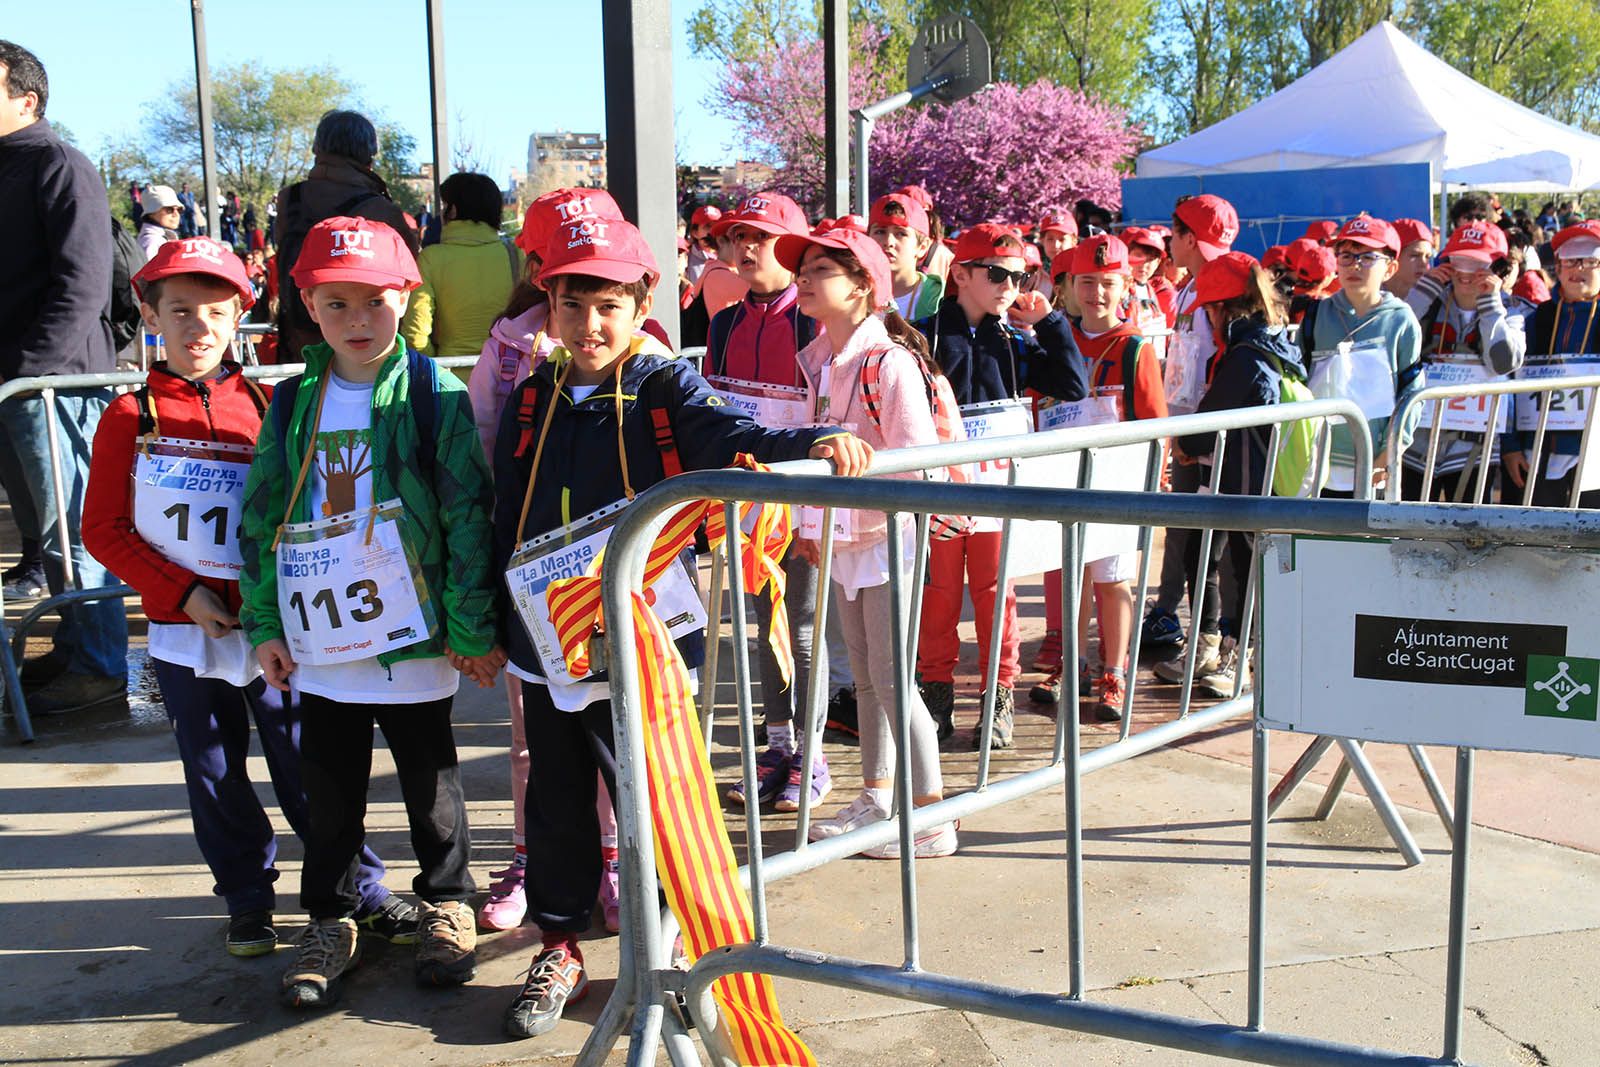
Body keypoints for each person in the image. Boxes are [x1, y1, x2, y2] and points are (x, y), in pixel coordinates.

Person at [491, 214, 869, 1039]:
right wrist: (491, 621)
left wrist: (815, 437)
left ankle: (669, 959)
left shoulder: (664, 386)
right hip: (545, 643)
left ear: (642, 303)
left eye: (608, 306)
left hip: (646, 643)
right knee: (555, 803)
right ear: (547, 304)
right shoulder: (530, 400)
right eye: (571, 304)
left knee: (659, 801)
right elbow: (505, 513)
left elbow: (733, 437)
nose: (589, 325)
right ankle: (559, 944)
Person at [82, 237, 416, 958]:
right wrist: (184, 592)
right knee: (211, 769)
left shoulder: (270, 403)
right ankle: (246, 897)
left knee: (308, 762)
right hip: (182, 634)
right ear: (150, 316)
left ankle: (362, 887)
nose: (197, 327)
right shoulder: (127, 414)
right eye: (179, 311)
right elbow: (102, 529)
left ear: (242, 315)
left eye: (214, 311)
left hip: (276, 626)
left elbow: (291, 513)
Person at [239, 216, 502, 1007]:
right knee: (330, 791)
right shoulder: (290, 404)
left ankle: (448, 902)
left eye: (376, 303)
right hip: (325, 641)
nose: (359, 321)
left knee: (433, 785)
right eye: (338, 303)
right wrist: (264, 623)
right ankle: (330, 916)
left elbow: (466, 512)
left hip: (415, 637)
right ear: (308, 306)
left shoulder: (433, 393)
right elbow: (260, 516)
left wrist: (467, 625)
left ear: (407, 298)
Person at [466, 187, 623, 935]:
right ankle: (538, 859)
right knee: (535, 734)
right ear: (535, 266)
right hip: (533, 580)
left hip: (619, 580)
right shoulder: (507, 349)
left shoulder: (638, 344)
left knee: (615, 730)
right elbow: (485, 454)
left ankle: (618, 856)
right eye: (557, 259)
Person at [774, 225, 955, 857]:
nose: (805, 277)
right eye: (805, 267)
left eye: (821, 268)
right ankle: (880, 798)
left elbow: (917, 465)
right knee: (869, 677)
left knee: (890, 674)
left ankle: (932, 816)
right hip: (846, 537)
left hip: (887, 538)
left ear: (863, 288)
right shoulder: (821, 360)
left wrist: (852, 520)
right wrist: (811, 526)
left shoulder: (889, 362)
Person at [912, 222, 1088, 748]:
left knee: (997, 595)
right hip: (941, 492)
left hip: (996, 494)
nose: (1010, 285)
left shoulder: (1014, 340)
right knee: (938, 597)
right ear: (960, 274)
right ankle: (936, 693)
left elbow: (1072, 383)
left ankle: (998, 695)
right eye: (997, 274)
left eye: (1020, 274)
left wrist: (1052, 322)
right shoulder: (922, 336)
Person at [0, 40, 129, 714]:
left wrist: (26, 373)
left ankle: (101, 665)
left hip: (57, 389)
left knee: (77, 529)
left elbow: (82, 286)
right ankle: (80, 648)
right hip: (19, 390)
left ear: (28, 99)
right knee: (45, 532)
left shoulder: (60, 164)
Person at [703, 192, 831, 811]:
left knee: (802, 628)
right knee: (761, 626)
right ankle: (777, 746)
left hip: (801, 498)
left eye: (761, 236)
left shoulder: (814, 321)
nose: (746, 248)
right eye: (735, 237)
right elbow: (716, 410)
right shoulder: (724, 320)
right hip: (748, 500)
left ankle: (815, 755)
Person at [1030, 235, 1167, 718]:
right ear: (1068, 287)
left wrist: (1154, 479)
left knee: (1113, 581)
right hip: (1062, 478)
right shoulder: (1051, 339)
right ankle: (1071, 663)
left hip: (1115, 484)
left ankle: (1114, 670)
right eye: (1086, 283)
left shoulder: (1134, 349)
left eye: (1107, 283)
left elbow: (1156, 422)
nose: (1097, 294)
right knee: (1069, 579)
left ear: (1125, 285)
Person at [1175, 252, 1307, 693]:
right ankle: (1212, 641)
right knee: (1207, 552)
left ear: (1224, 307)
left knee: (1242, 562)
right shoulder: (1273, 342)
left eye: (1210, 310)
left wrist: (1186, 444)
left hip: (1245, 477)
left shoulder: (1246, 356)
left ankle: (1239, 652)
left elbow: (1206, 424)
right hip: (1240, 473)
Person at [1142, 194, 1238, 670]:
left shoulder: (1220, 288)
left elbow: (1218, 371)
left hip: (1211, 437)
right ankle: (1190, 628)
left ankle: (1226, 646)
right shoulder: (1187, 288)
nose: (1167, 244)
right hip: (1188, 432)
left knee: (1221, 549)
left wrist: (1193, 436)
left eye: (1172, 234)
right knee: (1192, 540)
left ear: (1188, 238)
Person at [273, 109, 418, 362]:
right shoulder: (382, 210)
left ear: (317, 149)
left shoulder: (290, 200)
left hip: (298, 343)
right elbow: (408, 274)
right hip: (369, 351)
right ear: (369, 154)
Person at [1297, 214, 1423, 499]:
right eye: (1345, 255)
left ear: (1390, 268)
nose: (1354, 265)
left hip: (1373, 464)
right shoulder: (1316, 314)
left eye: (1367, 257)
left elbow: (1412, 394)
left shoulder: (1401, 321)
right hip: (1316, 460)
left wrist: (1391, 451)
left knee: (1364, 543)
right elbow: (1299, 379)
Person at [1400, 222, 1526, 502]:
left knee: (1466, 534)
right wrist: (1423, 293)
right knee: (1410, 529)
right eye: (1460, 261)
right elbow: (1396, 344)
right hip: (1417, 444)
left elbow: (1504, 363)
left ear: (1497, 267)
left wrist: (1491, 305)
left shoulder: (1512, 311)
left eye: (1478, 264)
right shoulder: (1429, 301)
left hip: (1474, 451)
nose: (1466, 274)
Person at [1503, 220, 1600, 507]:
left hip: (1595, 456)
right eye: (1569, 261)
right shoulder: (1537, 319)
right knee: (1541, 543)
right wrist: (1510, 446)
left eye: (1590, 261)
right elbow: (1509, 383)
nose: (1577, 269)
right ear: (1556, 267)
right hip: (1539, 454)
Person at [401, 172, 521, 361]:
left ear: (453, 210)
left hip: (452, 377)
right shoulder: (516, 255)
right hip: (509, 376)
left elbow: (415, 336)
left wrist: (439, 372)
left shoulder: (431, 259)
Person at [868, 192, 944, 320]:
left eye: (901, 234)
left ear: (922, 247)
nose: (888, 242)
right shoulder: (851, 296)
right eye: (880, 232)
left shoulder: (940, 299)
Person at [1387, 218, 1435, 299]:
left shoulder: (1436, 299)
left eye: (1427, 257)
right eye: (1415, 255)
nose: (1423, 263)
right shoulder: (1367, 294)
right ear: (1393, 257)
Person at [137, 184, 183, 259]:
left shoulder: (163, 237)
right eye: (169, 210)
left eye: (179, 210)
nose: (176, 214)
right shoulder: (151, 241)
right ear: (151, 213)